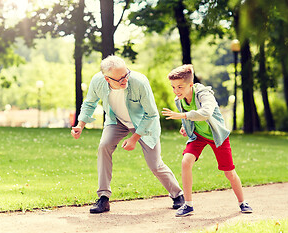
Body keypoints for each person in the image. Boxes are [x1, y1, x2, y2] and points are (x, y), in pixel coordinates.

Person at [71, 55, 184, 214]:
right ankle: (103, 197)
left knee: (155, 164)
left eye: (126, 75)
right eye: (120, 79)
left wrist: (134, 138)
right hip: (116, 121)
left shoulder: (139, 82)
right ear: (107, 79)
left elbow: (151, 114)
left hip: (143, 123)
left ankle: (178, 194)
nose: (125, 80)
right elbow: (89, 103)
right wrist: (80, 125)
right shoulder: (98, 81)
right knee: (104, 146)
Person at [161, 64, 253, 217]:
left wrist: (183, 117)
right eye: (173, 87)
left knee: (229, 173)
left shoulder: (204, 94)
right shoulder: (180, 99)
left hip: (217, 136)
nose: (176, 91)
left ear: (191, 84)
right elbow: (191, 117)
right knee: (186, 161)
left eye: (180, 87)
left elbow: (205, 113)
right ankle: (188, 204)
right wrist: (185, 126)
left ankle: (242, 202)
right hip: (198, 136)